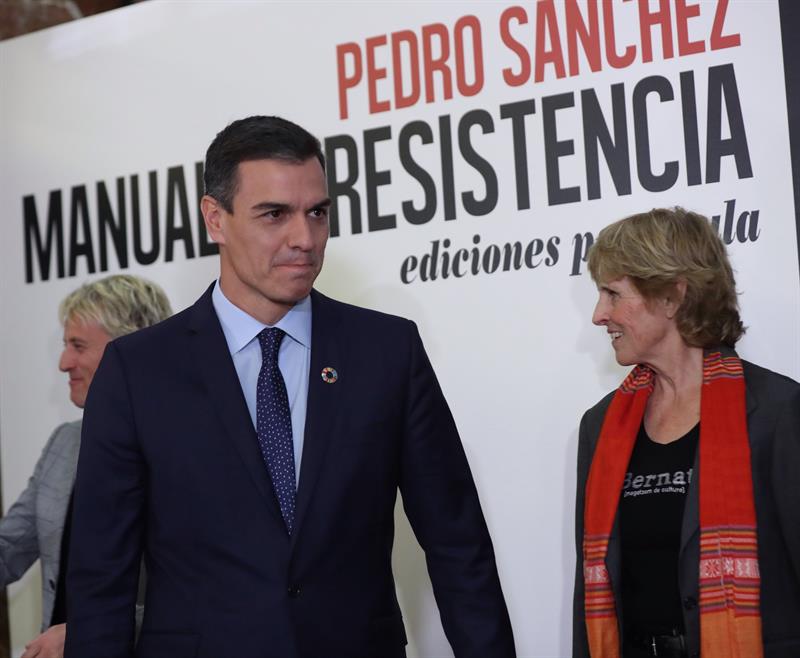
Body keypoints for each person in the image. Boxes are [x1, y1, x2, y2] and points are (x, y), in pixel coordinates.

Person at [64, 115, 515, 658]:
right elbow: (100, 576)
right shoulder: (137, 370)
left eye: (317, 213)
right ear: (216, 219)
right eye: (274, 214)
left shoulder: (387, 353)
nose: (304, 239)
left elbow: (456, 542)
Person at [572, 207, 800, 658]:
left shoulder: (778, 412)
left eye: (613, 294)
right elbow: (592, 586)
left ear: (673, 297)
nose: (600, 315)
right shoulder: (599, 426)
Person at [0, 274, 171, 658]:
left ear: (130, 348)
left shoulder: (190, 448)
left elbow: (208, 600)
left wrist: (84, 634)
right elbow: (9, 546)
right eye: (65, 346)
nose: (64, 363)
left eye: (77, 346)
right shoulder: (65, 442)